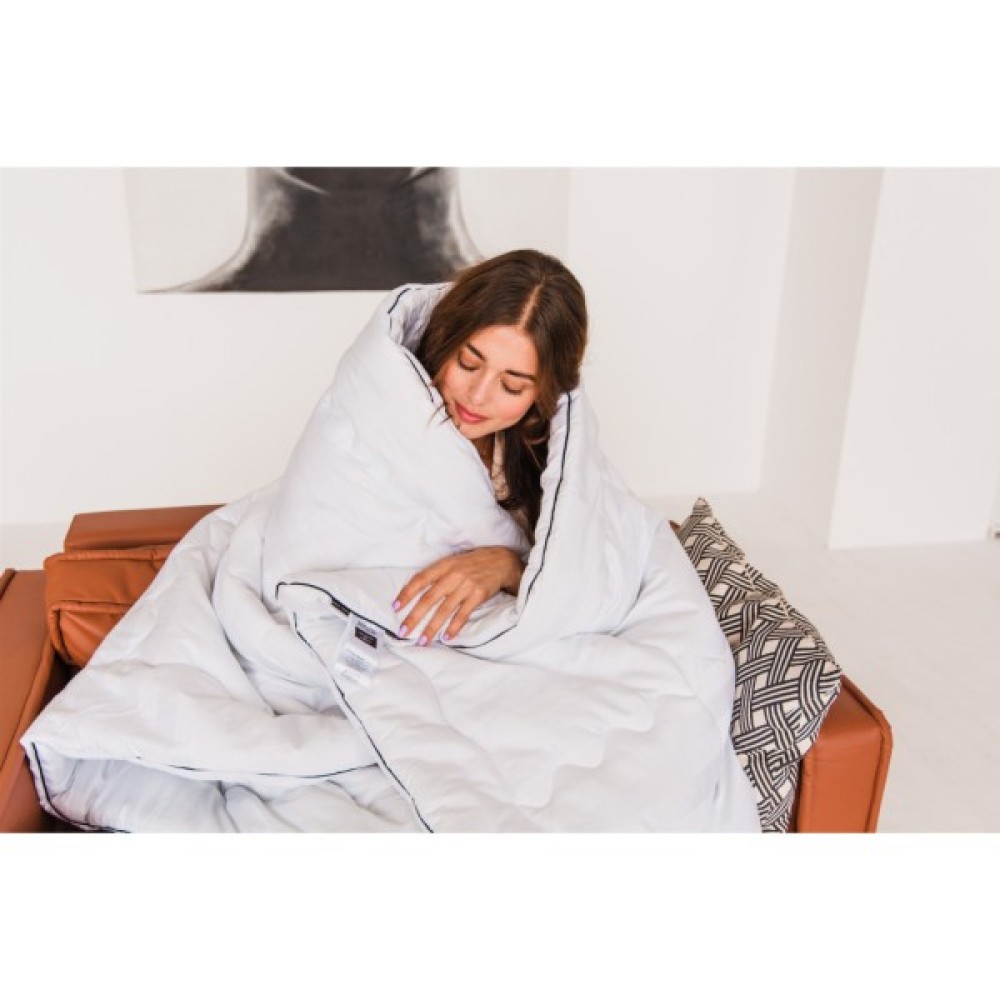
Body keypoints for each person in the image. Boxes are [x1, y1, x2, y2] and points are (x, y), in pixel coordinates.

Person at [392, 248, 588, 648]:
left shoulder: (547, 456)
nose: (478, 396)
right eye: (468, 362)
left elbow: (585, 581)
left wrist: (509, 567)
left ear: (543, 394)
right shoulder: (388, 414)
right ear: (445, 339)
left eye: (512, 386)